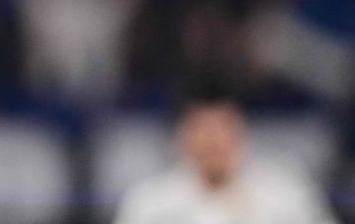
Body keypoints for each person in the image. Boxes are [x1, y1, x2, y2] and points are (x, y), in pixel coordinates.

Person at [114, 77, 337, 224]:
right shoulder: (149, 205)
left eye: (223, 125)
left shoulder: (285, 195)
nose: (213, 139)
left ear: (242, 129)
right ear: (181, 134)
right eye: (201, 126)